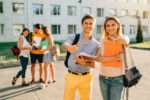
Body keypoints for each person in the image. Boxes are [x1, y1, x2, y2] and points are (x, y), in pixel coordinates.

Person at [62, 14, 100, 100]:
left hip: (87, 77)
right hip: (71, 76)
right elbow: (64, 44)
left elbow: (95, 63)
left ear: (93, 26)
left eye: (91, 23)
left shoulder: (96, 44)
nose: (88, 25)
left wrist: (85, 62)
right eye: (86, 23)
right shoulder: (75, 37)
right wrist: (69, 47)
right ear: (82, 25)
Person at [95, 16, 129, 100]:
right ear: (105, 28)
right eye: (108, 26)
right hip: (103, 78)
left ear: (118, 26)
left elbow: (125, 41)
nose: (110, 27)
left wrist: (118, 39)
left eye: (113, 25)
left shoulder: (123, 39)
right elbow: (99, 59)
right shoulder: (103, 40)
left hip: (117, 79)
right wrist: (115, 57)